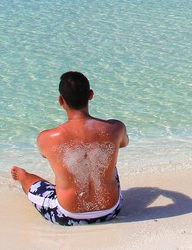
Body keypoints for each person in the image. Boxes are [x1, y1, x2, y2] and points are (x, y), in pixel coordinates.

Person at [11, 71, 129, 226]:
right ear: (91, 95)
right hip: (111, 210)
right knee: (103, 155)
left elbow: (45, 155)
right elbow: (123, 143)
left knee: (31, 181)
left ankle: (23, 176)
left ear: (61, 100)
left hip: (69, 216)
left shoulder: (47, 138)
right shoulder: (115, 128)